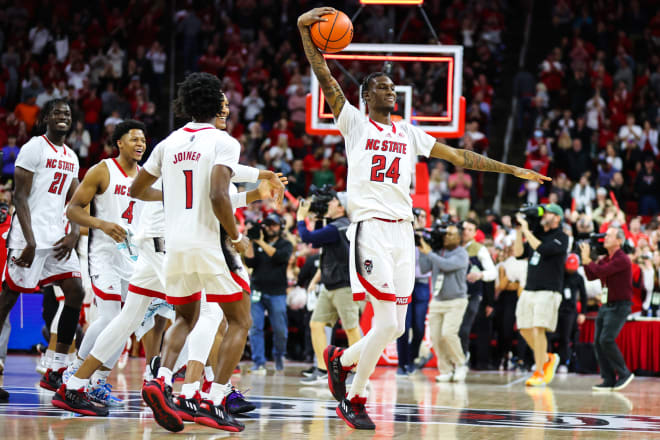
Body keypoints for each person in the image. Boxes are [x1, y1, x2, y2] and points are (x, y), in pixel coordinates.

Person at [298, 6, 549, 430]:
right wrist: (306, 28)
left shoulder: (410, 132)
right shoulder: (354, 124)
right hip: (371, 231)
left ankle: (341, 360)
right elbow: (323, 72)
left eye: (393, 87)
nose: (391, 91)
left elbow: (460, 156)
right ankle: (355, 397)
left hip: (403, 235)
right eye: (382, 87)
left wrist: (511, 169)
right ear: (366, 96)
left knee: (393, 328)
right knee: (386, 322)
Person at [131, 72, 247, 433]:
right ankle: (212, 400)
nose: (227, 105)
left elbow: (137, 188)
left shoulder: (169, 142)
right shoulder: (223, 141)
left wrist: (177, 200)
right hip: (209, 244)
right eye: (224, 100)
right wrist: (236, 235)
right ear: (214, 103)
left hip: (175, 246)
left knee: (184, 317)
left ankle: (161, 380)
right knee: (241, 320)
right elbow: (217, 194)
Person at [0, 99, 85, 401]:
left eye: (68, 114)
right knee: (7, 300)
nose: (63, 117)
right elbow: (20, 197)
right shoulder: (34, 147)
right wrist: (29, 239)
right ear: (47, 117)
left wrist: (74, 231)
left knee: (75, 291)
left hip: (57, 237)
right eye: (58, 112)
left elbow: (77, 199)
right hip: (28, 237)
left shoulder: (72, 156)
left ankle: (56, 368)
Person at [63, 120, 146, 406]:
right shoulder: (102, 170)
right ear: (119, 142)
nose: (140, 144)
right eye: (134, 139)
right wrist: (102, 223)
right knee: (112, 318)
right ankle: (76, 371)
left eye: (143, 141)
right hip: (103, 254)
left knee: (126, 324)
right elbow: (72, 210)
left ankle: (97, 382)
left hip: (133, 257)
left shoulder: (147, 176)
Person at [297, 191, 359, 385]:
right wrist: (317, 217)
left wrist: (301, 218)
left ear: (342, 207)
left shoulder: (338, 227)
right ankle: (323, 370)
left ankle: (358, 371)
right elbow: (316, 240)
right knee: (316, 324)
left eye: (333, 201)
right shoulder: (336, 226)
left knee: (351, 328)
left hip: (344, 286)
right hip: (330, 284)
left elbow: (307, 237)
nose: (330, 203)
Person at [514, 203, 568, 387]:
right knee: (523, 328)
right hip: (530, 288)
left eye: (549, 213)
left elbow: (542, 249)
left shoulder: (562, 237)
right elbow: (518, 253)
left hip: (549, 289)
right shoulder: (536, 233)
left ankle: (538, 372)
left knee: (538, 328)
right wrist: (519, 231)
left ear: (557, 218)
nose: (544, 215)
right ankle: (547, 358)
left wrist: (528, 230)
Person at [580, 227, 634, 391]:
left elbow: (601, 271)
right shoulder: (607, 258)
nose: (605, 238)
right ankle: (608, 378)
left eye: (609, 235)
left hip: (619, 305)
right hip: (606, 305)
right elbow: (592, 275)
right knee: (598, 341)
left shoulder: (622, 259)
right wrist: (586, 260)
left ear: (619, 240)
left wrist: (587, 260)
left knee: (606, 339)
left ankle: (624, 373)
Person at [418, 224, 470, 382]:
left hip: (456, 300)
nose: (447, 236)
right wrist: (422, 250)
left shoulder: (461, 253)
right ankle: (445, 369)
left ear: (459, 237)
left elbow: (446, 266)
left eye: (451, 234)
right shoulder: (436, 251)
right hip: (437, 300)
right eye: (446, 234)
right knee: (436, 337)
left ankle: (460, 364)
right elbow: (424, 267)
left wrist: (429, 253)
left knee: (448, 333)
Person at [245, 213, 294, 373]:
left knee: (280, 329)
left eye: (273, 224)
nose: (270, 227)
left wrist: (259, 241)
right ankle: (259, 362)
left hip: (277, 292)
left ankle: (279, 355)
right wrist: (251, 241)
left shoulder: (285, 244)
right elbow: (250, 261)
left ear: (280, 226)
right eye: (268, 224)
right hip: (257, 290)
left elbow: (278, 257)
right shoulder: (258, 242)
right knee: (255, 328)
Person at [396, 208, 431, 376]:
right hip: (404, 282)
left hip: (422, 283)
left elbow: (429, 259)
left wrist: (421, 237)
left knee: (418, 327)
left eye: (424, 216)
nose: (421, 219)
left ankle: (412, 357)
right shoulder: (402, 234)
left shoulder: (430, 236)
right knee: (403, 325)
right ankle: (402, 363)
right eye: (418, 216)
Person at [459, 218, 497, 363]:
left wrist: (480, 275)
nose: (465, 232)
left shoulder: (479, 249)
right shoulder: (453, 246)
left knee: (464, 328)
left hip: (472, 294)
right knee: (452, 330)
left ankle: (463, 357)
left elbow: (492, 273)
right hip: (454, 294)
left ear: (475, 233)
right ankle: (456, 358)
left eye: (469, 229)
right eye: (464, 229)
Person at [556, 253, 587, 373]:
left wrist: (583, 313)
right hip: (557, 308)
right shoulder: (560, 274)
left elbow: (583, 296)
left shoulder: (578, 277)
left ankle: (564, 362)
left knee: (565, 337)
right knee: (551, 335)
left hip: (570, 311)